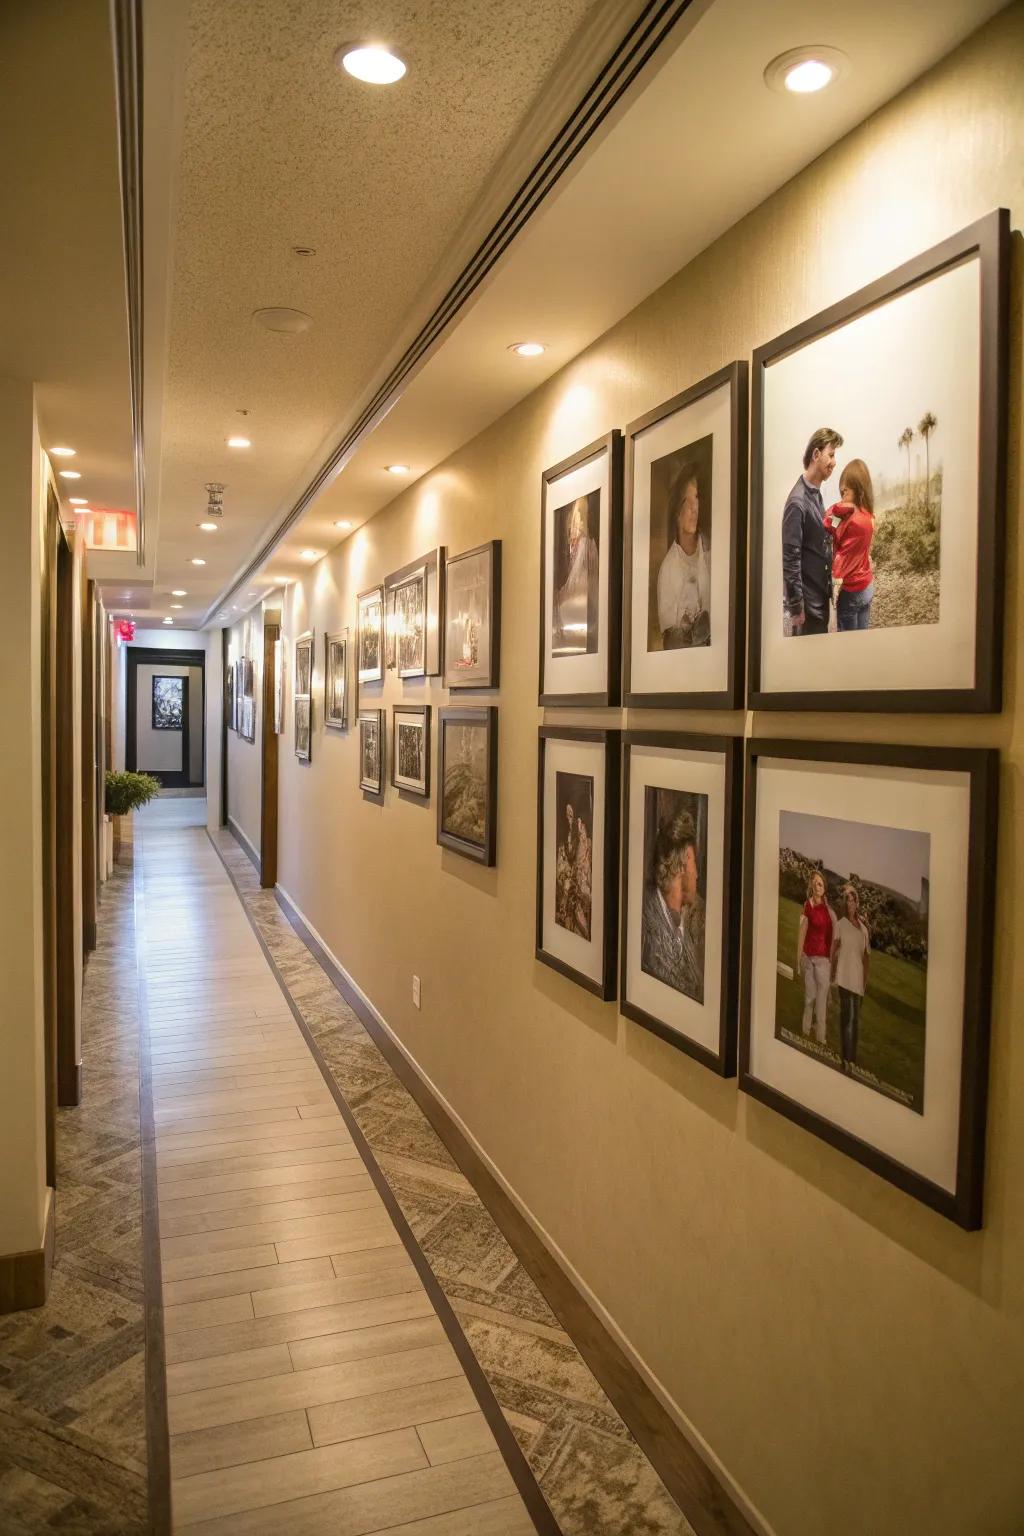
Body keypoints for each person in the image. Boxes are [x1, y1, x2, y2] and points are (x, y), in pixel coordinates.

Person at [781, 428, 843, 635]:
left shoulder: (815, 493)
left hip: (819, 597)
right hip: (808, 607)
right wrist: (797, 608)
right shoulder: (797, 502)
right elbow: (790, 560)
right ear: (816, 455)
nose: (834, 462)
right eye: (831, 455)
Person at [641, 808, 705, 1003]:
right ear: (684, 863)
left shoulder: (701, 915)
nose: (697, 874)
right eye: (694, 864)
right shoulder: (643, 920)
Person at [656, 463, 710, 648]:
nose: (694, 508)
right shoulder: (669, 569)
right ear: (677, 512)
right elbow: (671, 645)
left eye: (696, 498)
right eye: (688, 502)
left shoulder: (711, 552)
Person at [827, 459, 876, 632]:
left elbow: (827, 523)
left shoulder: (851, 518)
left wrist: (836, 510)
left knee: (846, 645)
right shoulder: (869, 516)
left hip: (852, 592)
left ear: (858, 489)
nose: (842, 498)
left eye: (845, 492)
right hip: (867, 586)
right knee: (861, 639)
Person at [831, 884, 870, 1071]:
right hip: (844, 978)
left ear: (857, 903)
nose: (851, 903)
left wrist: (864, 983)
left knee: (855, 1022)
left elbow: (866, 959)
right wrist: (832, 975)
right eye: (848, 900)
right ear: (845, 904)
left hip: (858, 981)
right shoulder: (840, 925)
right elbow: (833, 951)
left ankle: (851, 1060)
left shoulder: (864, 930)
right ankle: (846, 1059)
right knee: (848, 1017)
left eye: (853, 900)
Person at [554, 497, 599, 654]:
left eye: (578, 521)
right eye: (572, 522)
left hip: (582, 627)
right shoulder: (575, 551)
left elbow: (581, 589)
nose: (573, 527)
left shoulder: (587, 548)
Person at [795, 870, 834, 1044]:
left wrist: (831, 962)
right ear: (811, 886)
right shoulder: (807, 906)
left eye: (821, 884)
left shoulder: (828, 911)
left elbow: (831, 938)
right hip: (809, 959)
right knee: (810, 997)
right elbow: (801, 933)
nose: (818, 886)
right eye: (816, 883)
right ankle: (805, 1031)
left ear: (824, 887)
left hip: (823, 961)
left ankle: (821, 1037)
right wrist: (798, 960)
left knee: (821, 1000)